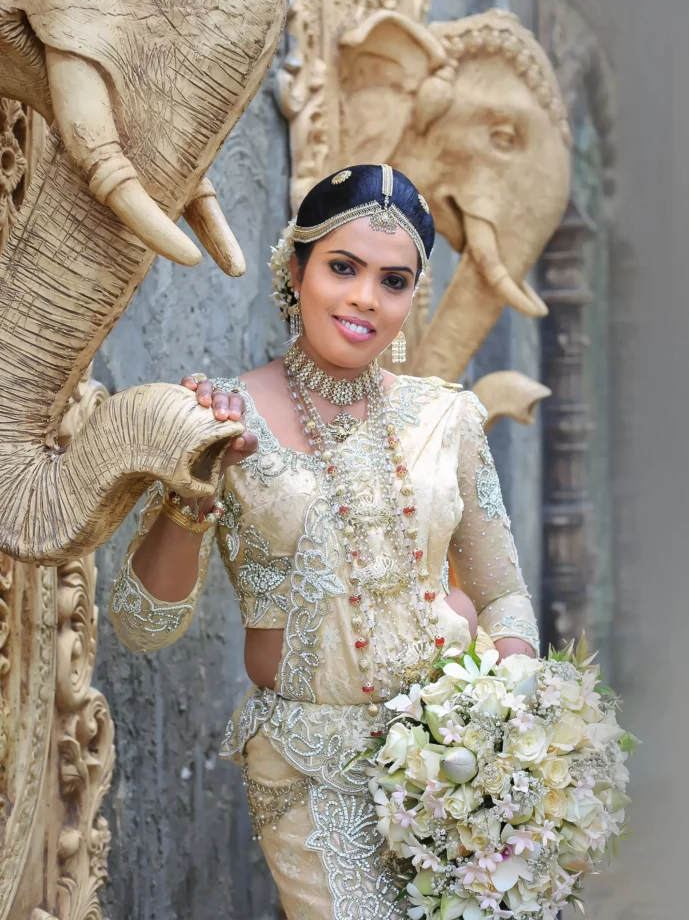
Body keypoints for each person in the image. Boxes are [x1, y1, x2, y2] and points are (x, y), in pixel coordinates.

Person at [109, 164, 539, 919]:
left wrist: (513, 710)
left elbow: (501, 592)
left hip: (453, 757)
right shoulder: (222, 419)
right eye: (342, 268)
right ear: (295, 268)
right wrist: (193, 489)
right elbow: (143, 625)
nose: (364, 298)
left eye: (392, 280)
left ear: (411, 296)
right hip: (308, 771)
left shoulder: (449, 420)